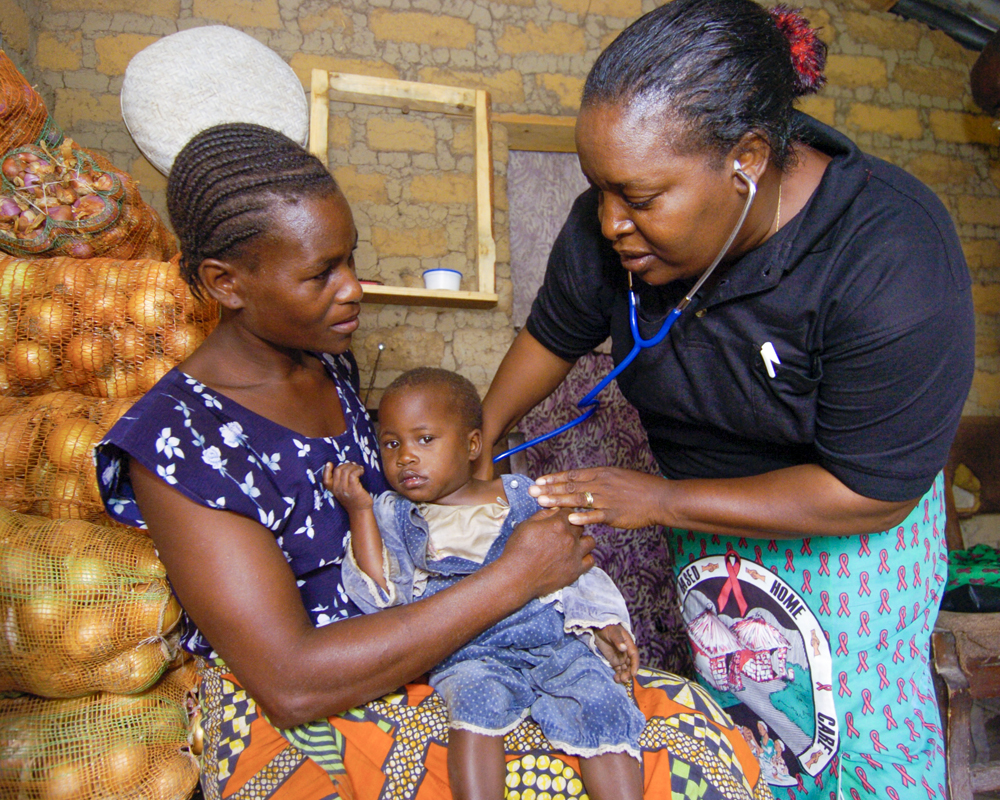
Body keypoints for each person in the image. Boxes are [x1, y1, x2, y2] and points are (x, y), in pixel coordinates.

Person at [95, 121, 773, 800]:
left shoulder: (324, 364)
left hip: (430, 637)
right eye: (320, 273)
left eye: (350, 259)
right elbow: (292, 680)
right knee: (663, 770)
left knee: (681, 726)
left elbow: (406, 510)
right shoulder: (177, 439)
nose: (354, 288)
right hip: (316, 704)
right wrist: (515, 578)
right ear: (226, 283)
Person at [477, 1, 975, 799]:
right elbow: (551, 334)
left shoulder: (888, 252)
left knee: (853, 744)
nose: (610, 222)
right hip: (703, 527)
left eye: (640, 197)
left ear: (746, 159)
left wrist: (665, 499)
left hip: (844, 528)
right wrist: (484, 431)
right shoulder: (611, 230)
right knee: (749, 732)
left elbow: (869, 493)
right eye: (599, 191)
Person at [327, 367, 646, 800]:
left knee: (603, 702)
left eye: (425, 439)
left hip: (551, 642)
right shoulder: (393, 513)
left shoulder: (523, 495)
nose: (405, 456)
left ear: (472, 445)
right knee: (475, 702)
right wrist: (360, 512)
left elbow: (575, 570)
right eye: (391, 443)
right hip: (468, 649)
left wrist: (603, 625)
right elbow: (380, 594)